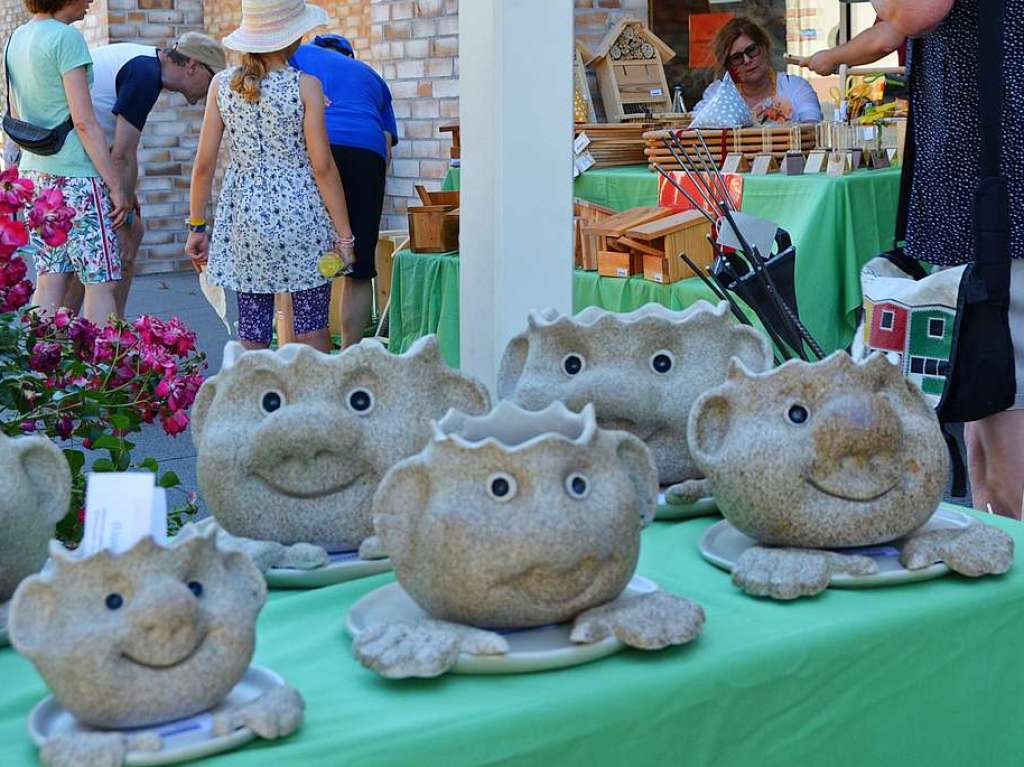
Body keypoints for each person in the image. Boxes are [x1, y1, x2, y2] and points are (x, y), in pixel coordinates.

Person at [870, 0, 1024, 518]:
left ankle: (1011, 559)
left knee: (1004, 384)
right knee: (987, 378)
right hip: (983, 190)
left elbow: (913, 11)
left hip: (996, 190)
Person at [186, 0, 356, 353]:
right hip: (302, 215)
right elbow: (323, 167)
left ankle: (258, 401)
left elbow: (203, 163)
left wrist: (197, 225)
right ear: (292, 37)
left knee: (253, 329)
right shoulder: (306, 85)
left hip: (245, 218)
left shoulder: (221, 85)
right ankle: (313, 401)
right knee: (311, 326)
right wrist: (345, 237)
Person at [57, 32, 227, 318]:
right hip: (71, 160)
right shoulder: (146, 74)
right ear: (193, 66)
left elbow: (125, 151)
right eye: (212, 82)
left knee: (99, 247)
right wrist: (121, 205)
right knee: (123, 237)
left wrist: (126, 193)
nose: (212, 92)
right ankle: (108, 331)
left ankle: (69, 330)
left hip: (73, 157)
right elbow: (121, 154)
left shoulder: (147, 63)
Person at [6, 0, 129, 325]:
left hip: (35, 175)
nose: (90, 1)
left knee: (50, 279)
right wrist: (116, 186)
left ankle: (37, 369)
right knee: (102, 283)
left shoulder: (17, 37)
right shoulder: (66, 38)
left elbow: (18, 116)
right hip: (77, 178)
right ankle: (101, 373)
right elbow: (85, 121)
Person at [290, 34, 397, 348]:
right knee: (360, 265)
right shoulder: (373, 77)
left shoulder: (300, 53)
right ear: (351, 55)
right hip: (367, 153)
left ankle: (300, 350)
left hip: (321, 143)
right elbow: (386, 147)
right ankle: (351, 353)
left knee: (303, 258)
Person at [695, 18, 823, 124]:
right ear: (728, 65)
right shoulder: (717, 94)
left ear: (765, 47)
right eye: (737, 57)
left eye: (751, 50)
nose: (747, 60)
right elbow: (696, 126)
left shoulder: (795, 87)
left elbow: (812, 128)